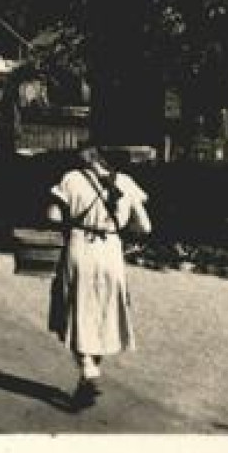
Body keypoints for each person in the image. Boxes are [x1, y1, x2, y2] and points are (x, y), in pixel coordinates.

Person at [45, 146, 152, 409]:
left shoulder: (71, 179)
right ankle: (87, 377)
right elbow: (145, 227)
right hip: (111, 253)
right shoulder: (126, 183)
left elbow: (53, 216)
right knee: (105, 312)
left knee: (77, 309)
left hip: (81, 247)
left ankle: (86, 367)